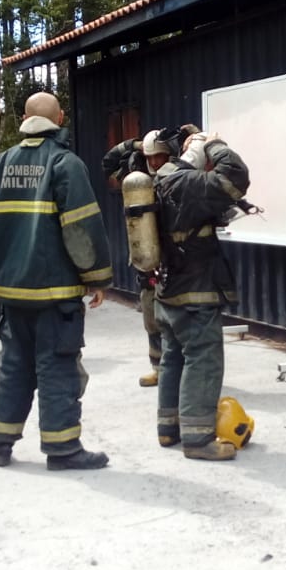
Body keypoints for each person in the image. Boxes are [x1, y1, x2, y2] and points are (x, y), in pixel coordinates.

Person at [0, 92, 113, 470]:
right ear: (61, 117)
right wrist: (97, 276)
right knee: (57, 366)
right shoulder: (64, 163)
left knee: (14, 365)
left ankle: (1, 443)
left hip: (11, 290)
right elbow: (82, 227)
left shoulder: (0, 163)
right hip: (54, 291)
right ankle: (63, 449)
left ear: (24, 118)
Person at [152, 129, 251, 460]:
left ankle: (169, 429)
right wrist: (215, 144)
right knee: (203, 360)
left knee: (173, 357)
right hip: (196, 288)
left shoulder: (159, 181)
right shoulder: (187, 183)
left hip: (168, 288)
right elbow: (236, 176)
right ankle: (197, 440)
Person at [101, 128, 171, 386]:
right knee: (151, 316)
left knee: (175, 318)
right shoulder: (136, 179)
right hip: (145, 255)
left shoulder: (178, 175)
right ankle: (158, 367)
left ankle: (178, 369)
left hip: (174, 256)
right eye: (150, 156)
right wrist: (132, 144)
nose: (154, 162)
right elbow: (107, 163)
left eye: (160, 156)